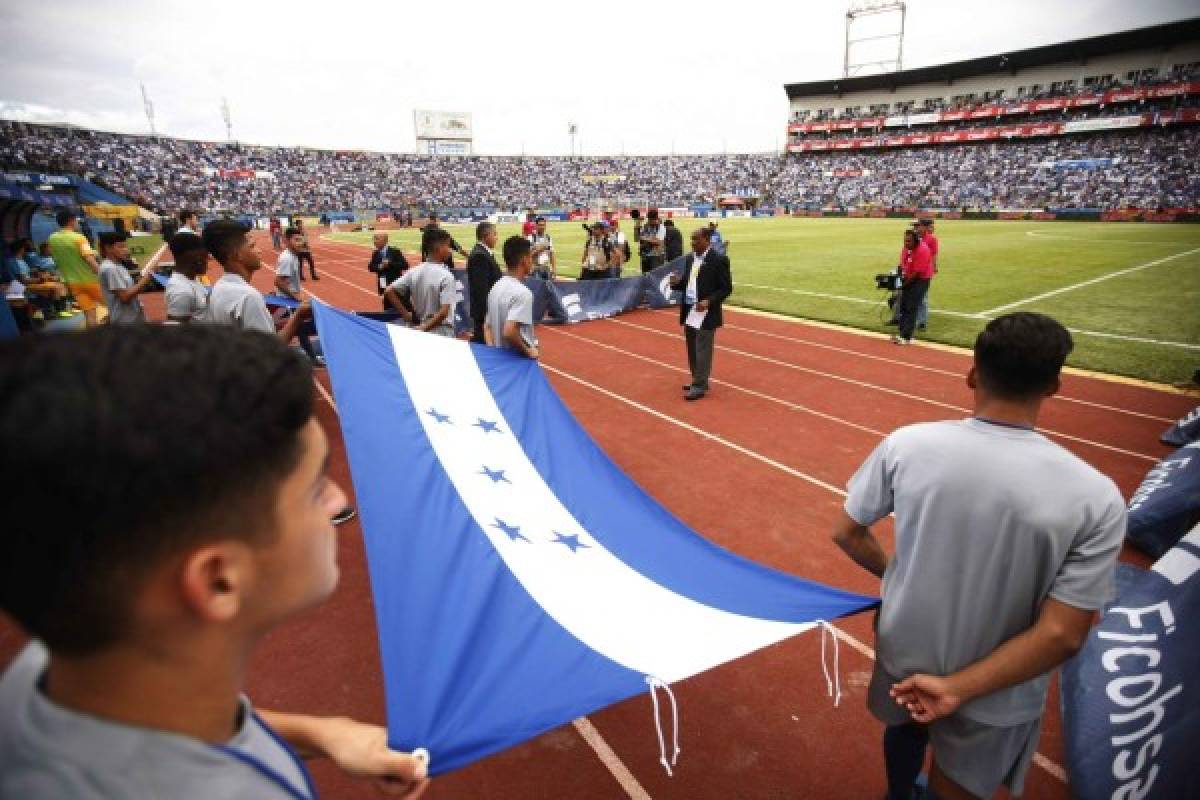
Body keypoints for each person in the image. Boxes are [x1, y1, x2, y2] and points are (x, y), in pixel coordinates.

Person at [0, 325, 430, 799]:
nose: (339, 499)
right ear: (220, 580)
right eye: (315, 488)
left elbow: (161, 730)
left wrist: (325, 733)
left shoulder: (58, 667)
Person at [831, 312, 1125, 800]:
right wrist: (961, 688)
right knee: (960, 786)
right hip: (1000, 684)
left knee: (904, 727)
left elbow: (846, 531)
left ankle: (898, 793)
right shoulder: (1096, 496)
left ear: (972, 374)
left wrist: (898, 574)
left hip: (908, 645)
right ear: (1055, 385)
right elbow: (1061, 634)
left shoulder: (907, 445)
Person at [203, 220, 356, 527]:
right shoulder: (246, 298)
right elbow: (269, 351)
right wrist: (298, 317)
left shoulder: (220, 289)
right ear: (235, 255)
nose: (257, 249)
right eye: (250, 245)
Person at [669, 227, 733, 401]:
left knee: (703, 349)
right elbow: (687, 283)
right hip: (690, 309)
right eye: (691, 239)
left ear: (707, 239)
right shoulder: (690, 258)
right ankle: (698, 379)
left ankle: (699, 385)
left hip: (706, 311)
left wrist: (709, 301)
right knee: (691, 347)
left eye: (696, 239)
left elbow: (726, 288)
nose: (692, 243)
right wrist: (675, 283)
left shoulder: (719, 260)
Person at [384, 227, 457, 337]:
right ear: (439, 248)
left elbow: (389, 291)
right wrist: (424, 328)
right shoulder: (446, 276)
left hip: (421, 326)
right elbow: (443, 313)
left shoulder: (414, 271)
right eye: (447, 245)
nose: (450, 250)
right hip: (442, 331)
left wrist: (406, 315)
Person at [273, 228, 325, 367]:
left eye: (301, 239)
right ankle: (278, 359)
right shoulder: (287, 258)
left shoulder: (294, 255)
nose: (299, 242)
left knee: (299, 329)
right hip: (287, 302)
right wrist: (296, 296)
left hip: (289, 300)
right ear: (287, 241)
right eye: (296, 239)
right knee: (294, 328)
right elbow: (278, 281)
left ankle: (310, 357)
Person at [484, 236, 539, 360]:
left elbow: (487, 327)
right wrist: (528, 351)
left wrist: (493, 352)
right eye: (530, 257)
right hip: (517, 361)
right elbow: (509, 332)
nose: (532, 261)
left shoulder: (495, 287)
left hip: (500, 359)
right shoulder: (523, 293)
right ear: (524, 260)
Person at [46, 210, 103, 327]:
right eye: (76, 220)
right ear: (71, 221)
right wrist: (103, 274)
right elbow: (89, 259)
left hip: (73, 284)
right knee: (117, 306)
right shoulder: (79, 238)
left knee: (90, 315)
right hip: (91, 281)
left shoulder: (52, 238)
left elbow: (54, 257)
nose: (77, 222)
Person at [97, 232, 156, 325]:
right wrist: (145, 280)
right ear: (108, 248)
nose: (126, 250)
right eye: (121, 247)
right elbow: (124, 296)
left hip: (133, 317)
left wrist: (141, 281)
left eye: (125, 246)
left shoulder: (119, 265)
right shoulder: (110, 269)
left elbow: (131, 288)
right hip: (124, 321)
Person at [893, 230, 933, 346]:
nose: (906, 243)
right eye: (905, 240)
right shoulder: (906, 248)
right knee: (904, 304)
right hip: (909, 277)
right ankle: (902, 333)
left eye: (909, 241)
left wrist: (902, 285)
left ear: (915, 240)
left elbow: (916, 273)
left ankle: (906, 336)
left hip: (921, 279)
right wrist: (898, 277)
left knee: (911, 306)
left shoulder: (923, 251)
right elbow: (902, 264)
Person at [466, 222, 502, 344]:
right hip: (484, 315)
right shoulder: (480, 256)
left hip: (486, 313)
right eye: (495, 234)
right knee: (483, 346)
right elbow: (481, 290)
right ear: (486, 236)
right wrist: (488, 315)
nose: (497, 238)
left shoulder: (483, 253)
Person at [164, 232, 211, 324]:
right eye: (204, 257)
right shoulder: (181, 291)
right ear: (191, 256)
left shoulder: (190, 279)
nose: (207, 261)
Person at [367, 232, 409, 312]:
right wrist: (379, 267)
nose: (374, 241)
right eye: (374, 239)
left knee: (400, 310)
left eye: (377, 239)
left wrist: (390, 264)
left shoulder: (395, 251)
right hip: (383, 287)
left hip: (396, 287)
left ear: (385, 240)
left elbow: (405, 265)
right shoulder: (375, 253)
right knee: (387, 310)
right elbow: (370, 267)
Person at [916, 218, 939, 330]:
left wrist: (934, 267)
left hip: (925, 271)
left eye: (919, 225)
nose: (917, 227)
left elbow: (934, 254)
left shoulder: (932, 239)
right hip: (914, 269)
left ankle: (922, 322)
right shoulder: (916, 237)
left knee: (923, 297)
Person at [637, 209, 667, 273]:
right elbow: (639, 238)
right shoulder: (645, 227)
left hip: (656, 256)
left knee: (655, 276)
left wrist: (645, 238)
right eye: (649, 219)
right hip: (645, 255)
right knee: (645, 276)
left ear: (656, 219)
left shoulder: (661, 227)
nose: (649, 221)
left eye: (651, 220)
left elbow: (658, 242)